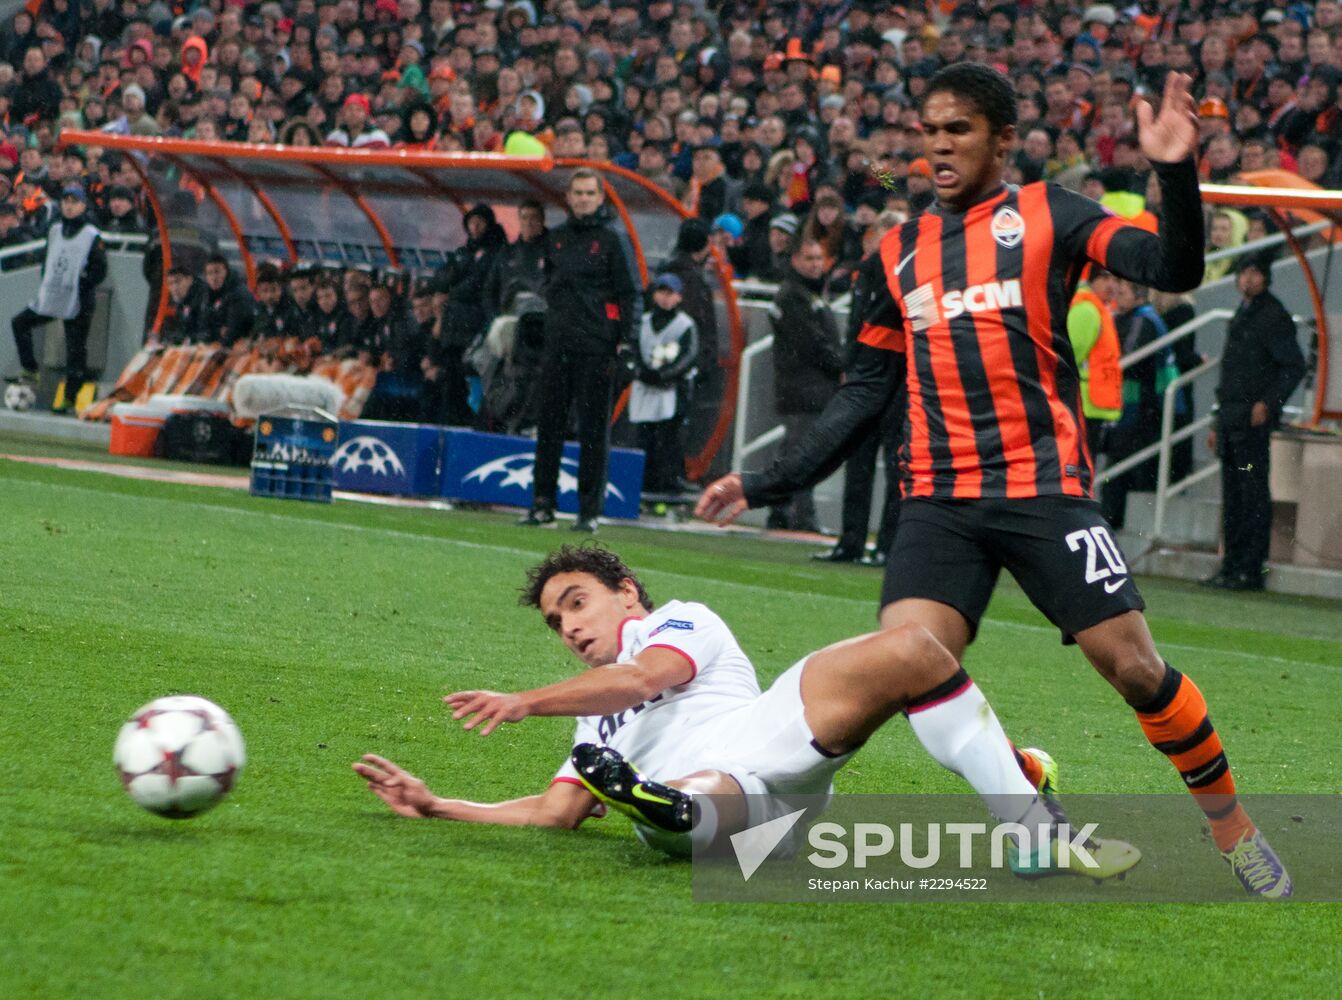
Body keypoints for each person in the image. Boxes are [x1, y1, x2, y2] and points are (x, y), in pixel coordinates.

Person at [696, 65, 1292, 898]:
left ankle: (1235, 831)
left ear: (1002, 140)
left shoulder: (1053, 212)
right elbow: (865, 392)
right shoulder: (896, 252)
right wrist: (764, 481)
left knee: (1134, 671)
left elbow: (1175, 265)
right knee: (908, 660)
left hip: (1045, 491)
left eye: (960, 130)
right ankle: (1021, 817)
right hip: (937, 501)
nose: (940, 145)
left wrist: (1175, 172)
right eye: (929, 130)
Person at [353, 544, 1139, 879]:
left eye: (577, 602)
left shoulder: (680, 622)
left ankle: (1028, 823)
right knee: (690, 784)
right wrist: (440, 806)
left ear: (627, 592)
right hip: (724, 807)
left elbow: (643, 679)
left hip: (774, 752)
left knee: (913, 648)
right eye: (557, 622)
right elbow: (557, 814)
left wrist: (524, 703)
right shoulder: (589, 722)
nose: (569, 627)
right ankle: (666, 806)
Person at [520, 169, 639, 534]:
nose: (583, 198)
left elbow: (630, 292)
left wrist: (627, 342)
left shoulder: (612, 241)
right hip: (559, 346)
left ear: (601, 198)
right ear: (569, 198)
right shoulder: (555, 239)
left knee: (593, 430)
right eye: (578, 193)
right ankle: (542, 503)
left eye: (590, 193)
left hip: (597, 347)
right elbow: (550, 288)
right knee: (549, 426)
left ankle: (589, 510)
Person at [1203, 253, 1306, 592]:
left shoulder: (1272, 316)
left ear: (1264, 277)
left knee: (1251, 492)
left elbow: (1293, 366)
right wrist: (1217, 421)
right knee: (1233, 495)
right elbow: (1230, 373)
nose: (1246, 280)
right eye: (1242, 273)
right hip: (1232, 418)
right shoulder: (1243, 314)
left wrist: (1268, 404)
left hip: (1251, 422)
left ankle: (1249, 567)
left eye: (1252, 273)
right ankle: (1231, 564)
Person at [813, 210, 905, 566]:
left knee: (893, 463)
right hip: (873, 371)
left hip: (892, 373)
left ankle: (883, 544)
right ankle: (856, 541)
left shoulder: (899, 272)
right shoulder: (870, 269)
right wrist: (849, 366)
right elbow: (855, 323)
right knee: (861, 459)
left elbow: (861, 322)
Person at [5, 186, 107, 414]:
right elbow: (48, 260)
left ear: (83, 205)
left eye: (74, 202)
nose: (69, 206)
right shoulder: (55, 229)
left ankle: (70, 397)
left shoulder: (92, 234)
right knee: (19, 322)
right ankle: (30, 368)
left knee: (75, 349)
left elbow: (100, 270)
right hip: (53, 293)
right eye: (66, 201)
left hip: (79, 299)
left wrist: (82, 284)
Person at [766, 236, 844, 533]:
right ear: (796, 260)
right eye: (809, 259)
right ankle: (802, 514)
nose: (815, 265)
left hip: (807, 386)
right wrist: (841, 363)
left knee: (793, 451)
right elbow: (811, 343)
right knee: (804, 453)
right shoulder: (794, 295)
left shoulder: (806, 293)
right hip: (804, 388)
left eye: (818, 258)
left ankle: (780, 508)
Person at [1099, 278, 1169, 530]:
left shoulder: (1144, 320)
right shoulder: (1128, 317)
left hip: (1138, 407)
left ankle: (1112, 521)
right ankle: (1110, 519)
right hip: (1126, 406)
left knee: (1122, 465)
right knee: (1117, 464)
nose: (1118, 296)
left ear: (1139, 294)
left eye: (1123, 292)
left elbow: (1128, 359)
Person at [630, 273, 698, 495]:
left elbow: (689, 355)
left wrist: (665, 375)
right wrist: (642, 371)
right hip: (646, 388)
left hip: (672, 389)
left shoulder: (684, 324)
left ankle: (669, 482)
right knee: (645, 436)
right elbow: (635, 348)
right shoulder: (644, 321)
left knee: (670, 439)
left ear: (679, 297)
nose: (665, 298)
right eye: (661, 292)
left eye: (671, 293)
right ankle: (645, 482)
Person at [1067, 267, 1122, 465]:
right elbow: (1070, 355)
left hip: (1091, 403)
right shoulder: (1088, 310)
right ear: (1092, 280)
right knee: (1081, 467)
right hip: (1084, 403)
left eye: (1116, 280)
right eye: (1105, 278)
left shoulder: (1098, 309)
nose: (1111, 285)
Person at [200, 254, 255, 347]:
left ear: (226, 272)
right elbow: (203, 327)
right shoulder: (208, 294)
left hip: (237, 347)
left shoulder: (238, 293)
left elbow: (232, 331)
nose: (213, 277)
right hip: (216, 345)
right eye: (209, 273)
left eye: (217, 272)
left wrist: (213, 334)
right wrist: (217, 332)